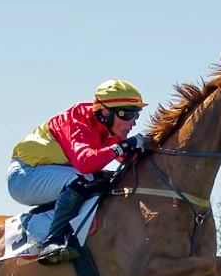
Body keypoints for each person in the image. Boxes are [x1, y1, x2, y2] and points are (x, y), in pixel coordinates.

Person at [8, 78, 146, 265]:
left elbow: (128, 160)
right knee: (84, 177)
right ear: (105, 112)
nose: (133, 122)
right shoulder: (75, 121)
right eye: (128, 115)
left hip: (50, 172)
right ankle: (53, 241)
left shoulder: (107, 128)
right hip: (24, 176)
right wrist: (123, 147)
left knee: (108, 179)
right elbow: (86, 163)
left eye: (136, 115)